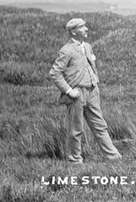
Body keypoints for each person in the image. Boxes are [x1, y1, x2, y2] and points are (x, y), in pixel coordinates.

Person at [49, 18, 122, 163]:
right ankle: (74, 160)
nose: (86, 29)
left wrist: (95, 82)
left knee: (100, 125)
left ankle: (113, 157)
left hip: (93, 91)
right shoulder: (66, 50)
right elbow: (55, 73)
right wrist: (69, 91)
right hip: (77, 94)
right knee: (76, 129)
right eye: (82, 27)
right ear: (74, 31)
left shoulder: (88, 47)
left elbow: (90, 65)